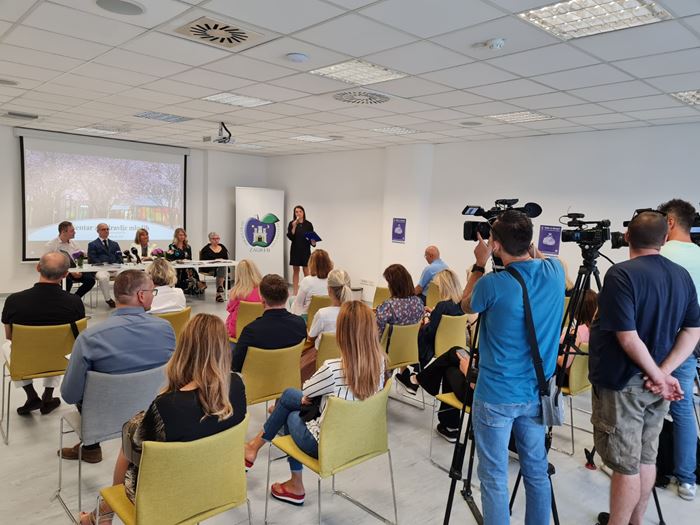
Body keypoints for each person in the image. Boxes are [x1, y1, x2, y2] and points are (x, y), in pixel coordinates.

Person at [78, 314, 247, 525]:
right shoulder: (237, 385)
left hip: (168, 496)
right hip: (218, 486)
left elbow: (138, 449)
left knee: (128, 438)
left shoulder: (168, 405)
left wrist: (137, 422)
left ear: (184, 348)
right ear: (224, 347)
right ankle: (102, 514)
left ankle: (104, 514)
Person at [589, 211, 700, 525]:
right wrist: (663, 373)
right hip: (656, 384)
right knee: (646, 457)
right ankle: (635, 520)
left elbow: (627, 337)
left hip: (624, 384)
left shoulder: (621, 275)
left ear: (627, 237)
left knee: (626, 465)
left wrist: (657, 374)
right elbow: (693, 331)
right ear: (664, 239)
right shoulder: (681, 275)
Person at [460, 210, 565, 525]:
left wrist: (479, 264)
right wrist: (521, 240)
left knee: (494, 476)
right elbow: (537, 257)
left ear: (495, 245)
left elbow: (465, 304)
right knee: (536, 471)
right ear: (530, 242)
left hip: (496, 395)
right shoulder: (555, 271)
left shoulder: (492, 284)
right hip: (536, 392)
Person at [244, 301, 386, 506]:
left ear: (341, 334)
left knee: (290, 411)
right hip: (359, 440)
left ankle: (294, 483)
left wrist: (308, 398)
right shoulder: (380, 362)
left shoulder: (333, 368)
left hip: (324, 444)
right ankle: (254, 447)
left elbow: (307, 392)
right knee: (289, 395)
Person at [60, 270, 176, 463]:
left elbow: (70, 395)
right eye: (152, 292)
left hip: (103, 419)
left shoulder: (90, 338)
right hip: (154, 414)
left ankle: (91, 448)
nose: (153, 296)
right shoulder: (165, 329)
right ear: (141, 295)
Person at [1, 252, 85, 415]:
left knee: (7, 346)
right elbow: (78, 338)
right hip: (61, 362)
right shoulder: (74, 302)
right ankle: (48, 396)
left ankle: (31, 395)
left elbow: (10, 337)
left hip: (25, 362)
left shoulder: (14, 301)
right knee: (60, 347)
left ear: (38, 268)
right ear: (65, 274)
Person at [658, 199, 700, 501]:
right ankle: (687, 479)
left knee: (643, 404)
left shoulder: (661, 254)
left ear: (670, 222)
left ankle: (644, 468)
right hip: (689, 342)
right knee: (683, 408)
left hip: (657, 341)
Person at [396, 269, 464, 394]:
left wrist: (427, 319)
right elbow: (445, 326)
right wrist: (434, 313)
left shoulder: (442, 305)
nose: (437, 290)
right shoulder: (461, 306)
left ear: (444, 287)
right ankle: (412, 374)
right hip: (448, 346)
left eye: (438, 287)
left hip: (430, 345)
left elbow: (430, 332)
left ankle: (406, 374)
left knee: (403, 338)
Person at [232, 274, 307, 373]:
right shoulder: (300, 324)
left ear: (262, 299)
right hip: (289, 378)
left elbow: (235, 365)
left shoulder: (251, 331)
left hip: (257, 381)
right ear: (287, 296)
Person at [45, 220, 95, 297]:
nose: (75, 232)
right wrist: (69, 272)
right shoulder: (51, 245)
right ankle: (63, 300)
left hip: (75, 270)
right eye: (72, 231)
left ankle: (75, 298)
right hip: (60, 271)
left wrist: (78, 270)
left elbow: (79, 258)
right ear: (63, 232)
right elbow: (48, 263)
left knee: (90, 280)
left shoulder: (74, 243)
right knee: (67, 281)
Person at [307, 269, 352, 349]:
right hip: (346, 354)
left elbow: (311, 338)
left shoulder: (322, 314)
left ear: (329, 290)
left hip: (321, 355)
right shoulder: (357, 313)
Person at [375, 264, 424, 338]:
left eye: (389, 284)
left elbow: (376, 332)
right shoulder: (419, 302)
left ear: (394, 286)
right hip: (410, 344)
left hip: (389, 345)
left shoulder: (388, 306)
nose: (388, 286)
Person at [558, 289, 597, 372]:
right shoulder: (598, 330)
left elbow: (564, 363)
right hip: (587, 376)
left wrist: (553, 357)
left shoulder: (577, 333)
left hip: (570, 376)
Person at [225, 259, 262, 339]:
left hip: (237, 331)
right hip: (259, 330)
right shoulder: (263, 291)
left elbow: (229, 309)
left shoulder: (236, 292)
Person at [290, 249, 333, 316]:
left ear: (311, 264)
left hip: (309, 318)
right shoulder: (333, 280)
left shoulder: (307, 281)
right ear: (328, 263)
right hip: (328, 315)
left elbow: (298, 305)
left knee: (292, 300)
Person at [86, 223, 120, 308]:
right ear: (98, 231)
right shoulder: (92, 244)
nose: (106, 231)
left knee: (125, 275)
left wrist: (115, 265)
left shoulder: (115, 244)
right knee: (103, 277)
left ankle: (121, 298)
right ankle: (108, 299)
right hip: (101, 268)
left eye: (107, 229)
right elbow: (92, 259)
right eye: (103, 229)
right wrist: (106, 267)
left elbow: (119, 257)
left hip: (115, 268)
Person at [166, 227, 205, 296]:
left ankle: (195, 285)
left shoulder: (188, 247)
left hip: (186, 266)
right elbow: (170, 258)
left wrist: (187, 261)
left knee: (191, 270)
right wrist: (178, 261)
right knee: (183, 271)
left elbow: (190, 258)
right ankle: (192, 285)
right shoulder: (172, 246)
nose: (182, 237)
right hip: (177, 267)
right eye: (180, 235)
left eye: (183, 235)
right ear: (176, 236)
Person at [287, 205, 315, 295]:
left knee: (306, 271)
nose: (298, 213)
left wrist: (313, 242)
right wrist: (294, 226)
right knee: (296, 271)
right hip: (295, 250)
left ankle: (309, 292)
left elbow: (312, 238)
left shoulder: (308, 224)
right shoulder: (292, 223)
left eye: (300, 211)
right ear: (294, 213)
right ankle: (295, 293)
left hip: (305, 250)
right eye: (296, 212)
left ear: (303, 213)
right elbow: (291, 237)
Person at [199, 231, 230, 302]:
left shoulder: (222, 247)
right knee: (221, 269)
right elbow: (203, 261)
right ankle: (219, 291)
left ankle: (219, 291)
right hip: (209, 268)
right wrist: (215, 260)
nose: (216, 240)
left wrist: (221, 261)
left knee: (222, 268)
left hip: (221, 268)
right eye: (214, 239)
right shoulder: (206, 249)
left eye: (217, 238)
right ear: (210, 240)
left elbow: (226, 259)